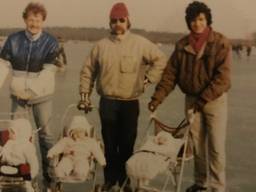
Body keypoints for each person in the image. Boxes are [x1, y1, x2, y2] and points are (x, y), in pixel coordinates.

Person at [78, 2, 167, 191]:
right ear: (109, 23)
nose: (117, 23)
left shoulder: (140, 43)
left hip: (129, 103)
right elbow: (87, 70)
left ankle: (125, 181)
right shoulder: (101, 46)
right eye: (114, 20)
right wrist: (84, 95)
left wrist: (147, 79)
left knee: (127, 144)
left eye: (121, 20)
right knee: (109, 143)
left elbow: (161, 60)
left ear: (128, 21)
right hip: (108, 102)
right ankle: (110, 180)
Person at [148, 1, 231, 192]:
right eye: (193, 20)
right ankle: (201, 183)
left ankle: (218, 187)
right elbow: (170, 75)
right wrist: (156, 99)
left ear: (207, 20)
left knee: (216, 147)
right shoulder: (182, 45)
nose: (197, 24)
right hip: (192, 101)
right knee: (197, 146)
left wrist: (203, 99)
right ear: (188, 22)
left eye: (201, 19)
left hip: (214, 102)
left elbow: (223, 78)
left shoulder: (220, 42)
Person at [0, 2, 59, 192]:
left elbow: (48, 73)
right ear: (25, 19)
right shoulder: (13, 40)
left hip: (42, 96)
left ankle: (50, 180)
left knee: (46, 137)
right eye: (31, 19)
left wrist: (31, 90)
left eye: (38, 20)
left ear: (43, 21)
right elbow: (2, 67)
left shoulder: (51, 42)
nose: (34, 23)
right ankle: (20, 176)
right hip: (18, 97)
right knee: (16, 138)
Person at [47, 115, 106, 180]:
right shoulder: (67, 140)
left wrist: (102, 161)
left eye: (80, 132)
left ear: (85, 132)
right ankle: (62, 176)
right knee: (60, 168)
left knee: (81, 169)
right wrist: (51, 153)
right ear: (71, 132)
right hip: (68, 158)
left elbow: (97, 151)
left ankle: (78, 175)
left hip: (82, 158)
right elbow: (58, 147)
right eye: (75, 132)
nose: (77, 134)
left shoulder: (90, 141)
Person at [0, 118, 39, 192]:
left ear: (19, 133)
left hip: (21, 169)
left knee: (24, 168)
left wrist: (32, 174)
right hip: (8, 166)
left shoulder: (27, 146)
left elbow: (33, 162)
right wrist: (2, 153)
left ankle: (27, 184)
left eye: (11, 133)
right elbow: (5, 155)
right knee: (1, 165)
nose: (9, 135)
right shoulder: (9, 143)